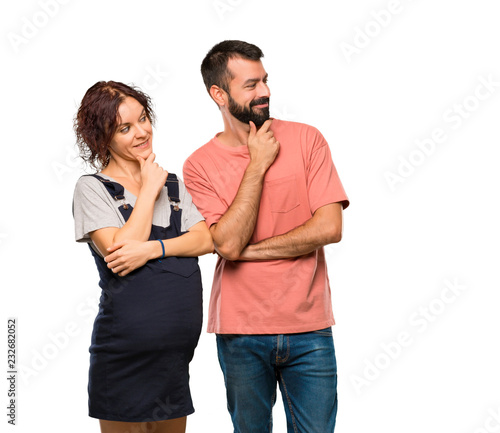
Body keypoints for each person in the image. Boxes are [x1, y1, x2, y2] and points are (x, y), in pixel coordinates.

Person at [183, 40, 350, 432]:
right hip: (241, 331)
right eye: (251, 84)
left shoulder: (307, 139)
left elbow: (329, 228)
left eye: (266, 81)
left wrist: (248, 251)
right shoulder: (199, 165)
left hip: (309, 327)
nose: (265, 92)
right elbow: (225, 244)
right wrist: (257, 165)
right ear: (219, 94)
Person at [72, 81, 213, 433]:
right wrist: (149, 188)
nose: (142, 132)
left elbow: (206, 239)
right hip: (123, 360)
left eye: (144, 119)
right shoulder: (92, 188)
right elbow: (118, 250)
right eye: (125, 128)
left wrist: (153, 248)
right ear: (102, 139)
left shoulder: (176, 186)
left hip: (173, 362)